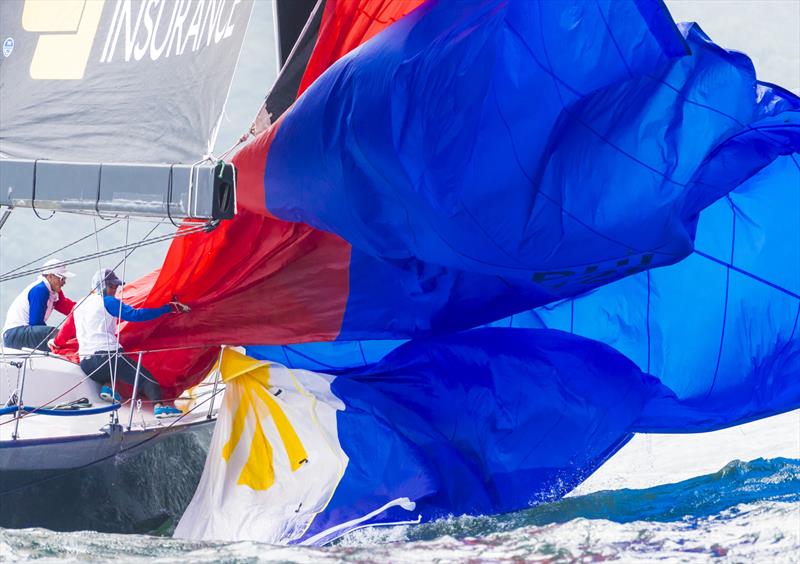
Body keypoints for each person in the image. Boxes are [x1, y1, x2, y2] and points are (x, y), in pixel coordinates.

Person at [73, 268, 190, 419]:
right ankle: (159, 408)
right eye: (111, 286)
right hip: (106, 358)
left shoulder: (79, 305)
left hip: (87, 364)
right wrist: (167, 308)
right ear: (100, 286)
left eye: (116, 286)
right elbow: (135, 315)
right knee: (146, 379)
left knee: (111, 371)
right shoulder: (107, 301)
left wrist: (56, 343)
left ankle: (107, 387)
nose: (114, 290)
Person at [2, 259, 76, 351]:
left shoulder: (54, 292)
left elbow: (69, 307)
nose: (64, 282)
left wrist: (90, 306)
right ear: (50, 276)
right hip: (14, 334)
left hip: (23, 332)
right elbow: (36, 323)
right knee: (58, 336)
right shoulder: (40, 290)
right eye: (62, 279)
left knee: (68, 335)